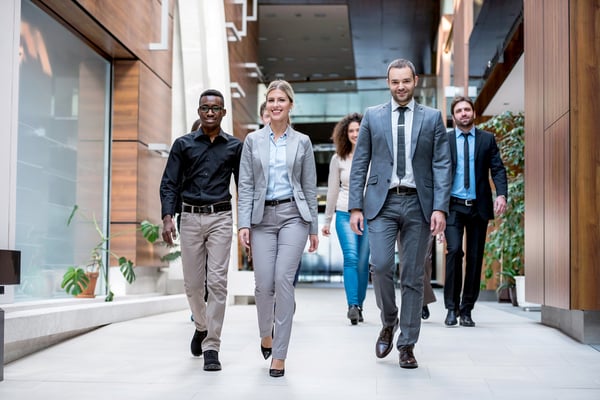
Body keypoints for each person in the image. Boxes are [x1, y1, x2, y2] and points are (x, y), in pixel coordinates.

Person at [348, 58, 452, 369]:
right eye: (395, 82)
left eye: (405, 81)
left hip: (419, 204)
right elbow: (360, 163)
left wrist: (440, 207)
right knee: (379, 266)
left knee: (413, 275)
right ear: (388, 83)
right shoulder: (373, 117)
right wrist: (355, 205)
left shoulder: (433, 118)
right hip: (382, 203)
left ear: (415, 80)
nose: (400, 87)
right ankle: (388, 321)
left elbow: (442, 165)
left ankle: (407, 344)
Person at [238, 80, 319, 378]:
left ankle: (280, 355)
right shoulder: (252, 141)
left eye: (281, 100)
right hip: (261, 218)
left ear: (290, 105)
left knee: (284, 281)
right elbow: (245, 185)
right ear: (266, 106)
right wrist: (243, 224)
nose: (275, 104)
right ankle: (265, 334)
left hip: (293, 215)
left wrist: (313, 227)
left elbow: (309, 187)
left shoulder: (303, 142)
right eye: (271, 99)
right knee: (263, 285)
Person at [160, 89, 243, 372]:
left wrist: (245, 224)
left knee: (217, 283)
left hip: (220, 217)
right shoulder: (183, 145)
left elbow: (244, 187)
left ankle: (212, 345)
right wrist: (168, 216)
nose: (210, 112)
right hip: (190, 218)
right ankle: (201, 324)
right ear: (199, 111)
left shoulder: (234, 147)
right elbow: (170, 182)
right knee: (194, 285)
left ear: (223, 113)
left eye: (215, 108)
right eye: (205, 107)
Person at [443, 95, 507, 327]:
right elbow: (438, 173)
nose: (463, 113)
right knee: (454, 252)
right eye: (459, 110)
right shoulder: (446, 140)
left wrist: (501, 194)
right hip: (453, 206)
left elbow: (498, 169)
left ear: (473, 113)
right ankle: (451, 307)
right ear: (454, 117)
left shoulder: (487, 139)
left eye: (467, 109)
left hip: (478, 207)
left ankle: (466, 309)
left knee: (474, 258)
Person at [321, 112, 370, 325]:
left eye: (358, 130)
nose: (355, 134)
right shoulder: (338, 158)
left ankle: (360, 304)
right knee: (350, 257)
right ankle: (352, 305)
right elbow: (332, 190)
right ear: (345, 134)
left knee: (362, 262)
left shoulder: (374, 155)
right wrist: (327, 220)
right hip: (344, 213)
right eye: (351, 131)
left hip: (370, 215)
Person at [396, 233, 436, 320]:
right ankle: (412, 301)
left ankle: (423, 297)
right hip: (400, 222)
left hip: (426, 221)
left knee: (425, 260)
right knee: (405, 259)